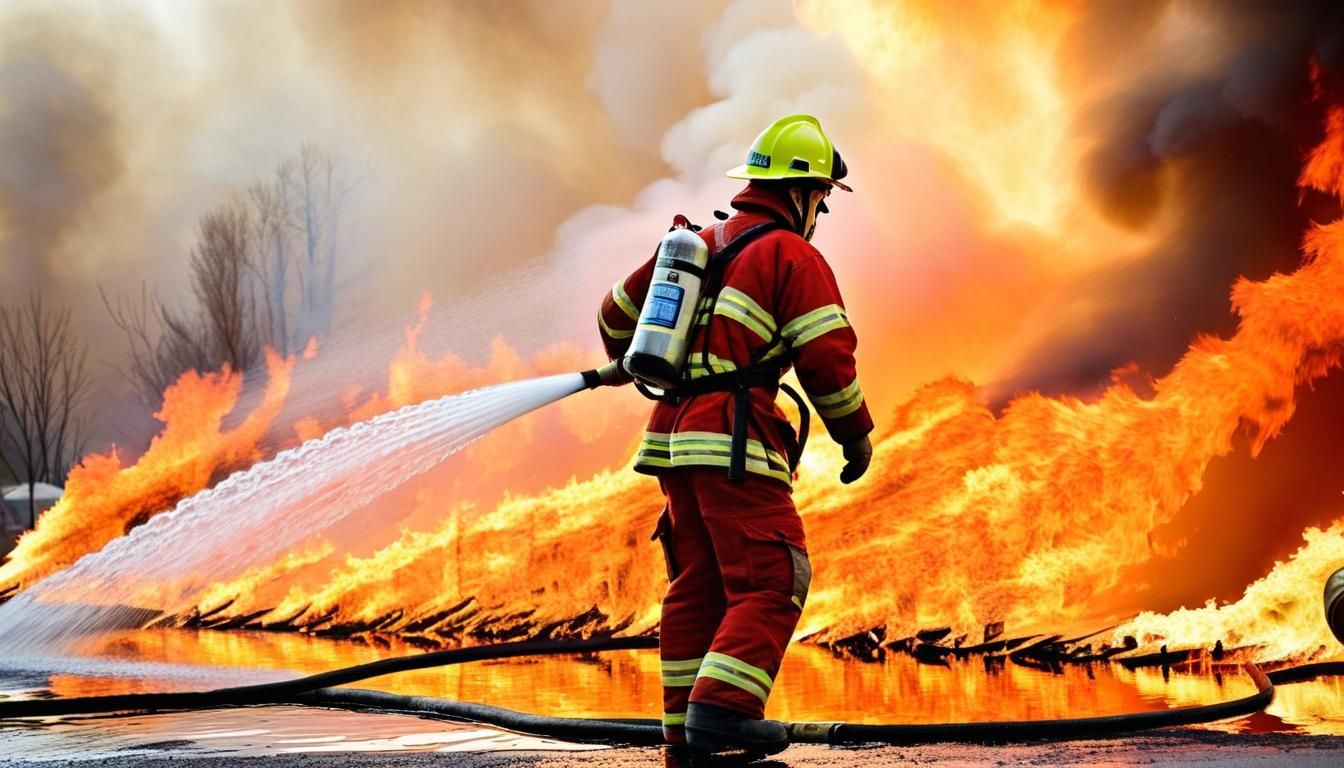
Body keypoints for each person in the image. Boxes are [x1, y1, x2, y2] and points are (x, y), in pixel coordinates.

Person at [595, 114, 874, 757]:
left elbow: (613, 320)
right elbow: (828, 357)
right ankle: (722, 715)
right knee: (774, 580)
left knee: (698, 583)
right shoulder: (790, 255)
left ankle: (683, 732)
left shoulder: (693, 245)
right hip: (734, 441)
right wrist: (855, 437)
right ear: (801, 193)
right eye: (822, 201)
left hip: (672, 440)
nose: (820, 215)